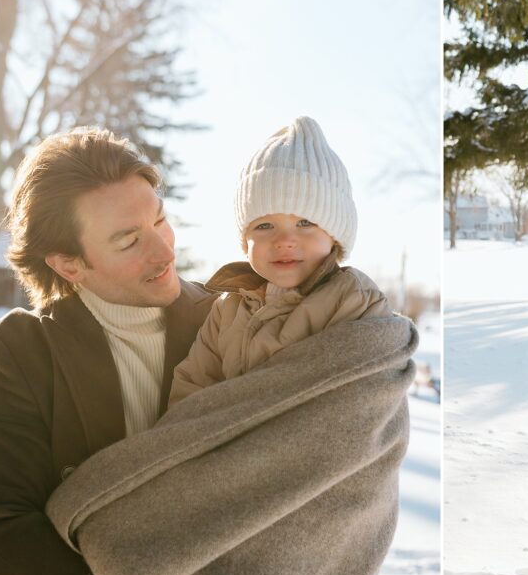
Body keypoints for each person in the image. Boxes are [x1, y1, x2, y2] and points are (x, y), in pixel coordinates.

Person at [0, 129, 286, 575]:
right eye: (129, 240)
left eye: (159, 220)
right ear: (70, 263)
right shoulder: (24, 353)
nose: (162, 251)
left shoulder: (242, 322)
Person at [168, 116, 393, 406]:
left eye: (304, 222)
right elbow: (192, 390)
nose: (285, 240)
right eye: (264, 226)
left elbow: (358, 397)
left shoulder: (352, 299)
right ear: (244, 239)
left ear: (335, 236)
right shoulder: (227, 310)